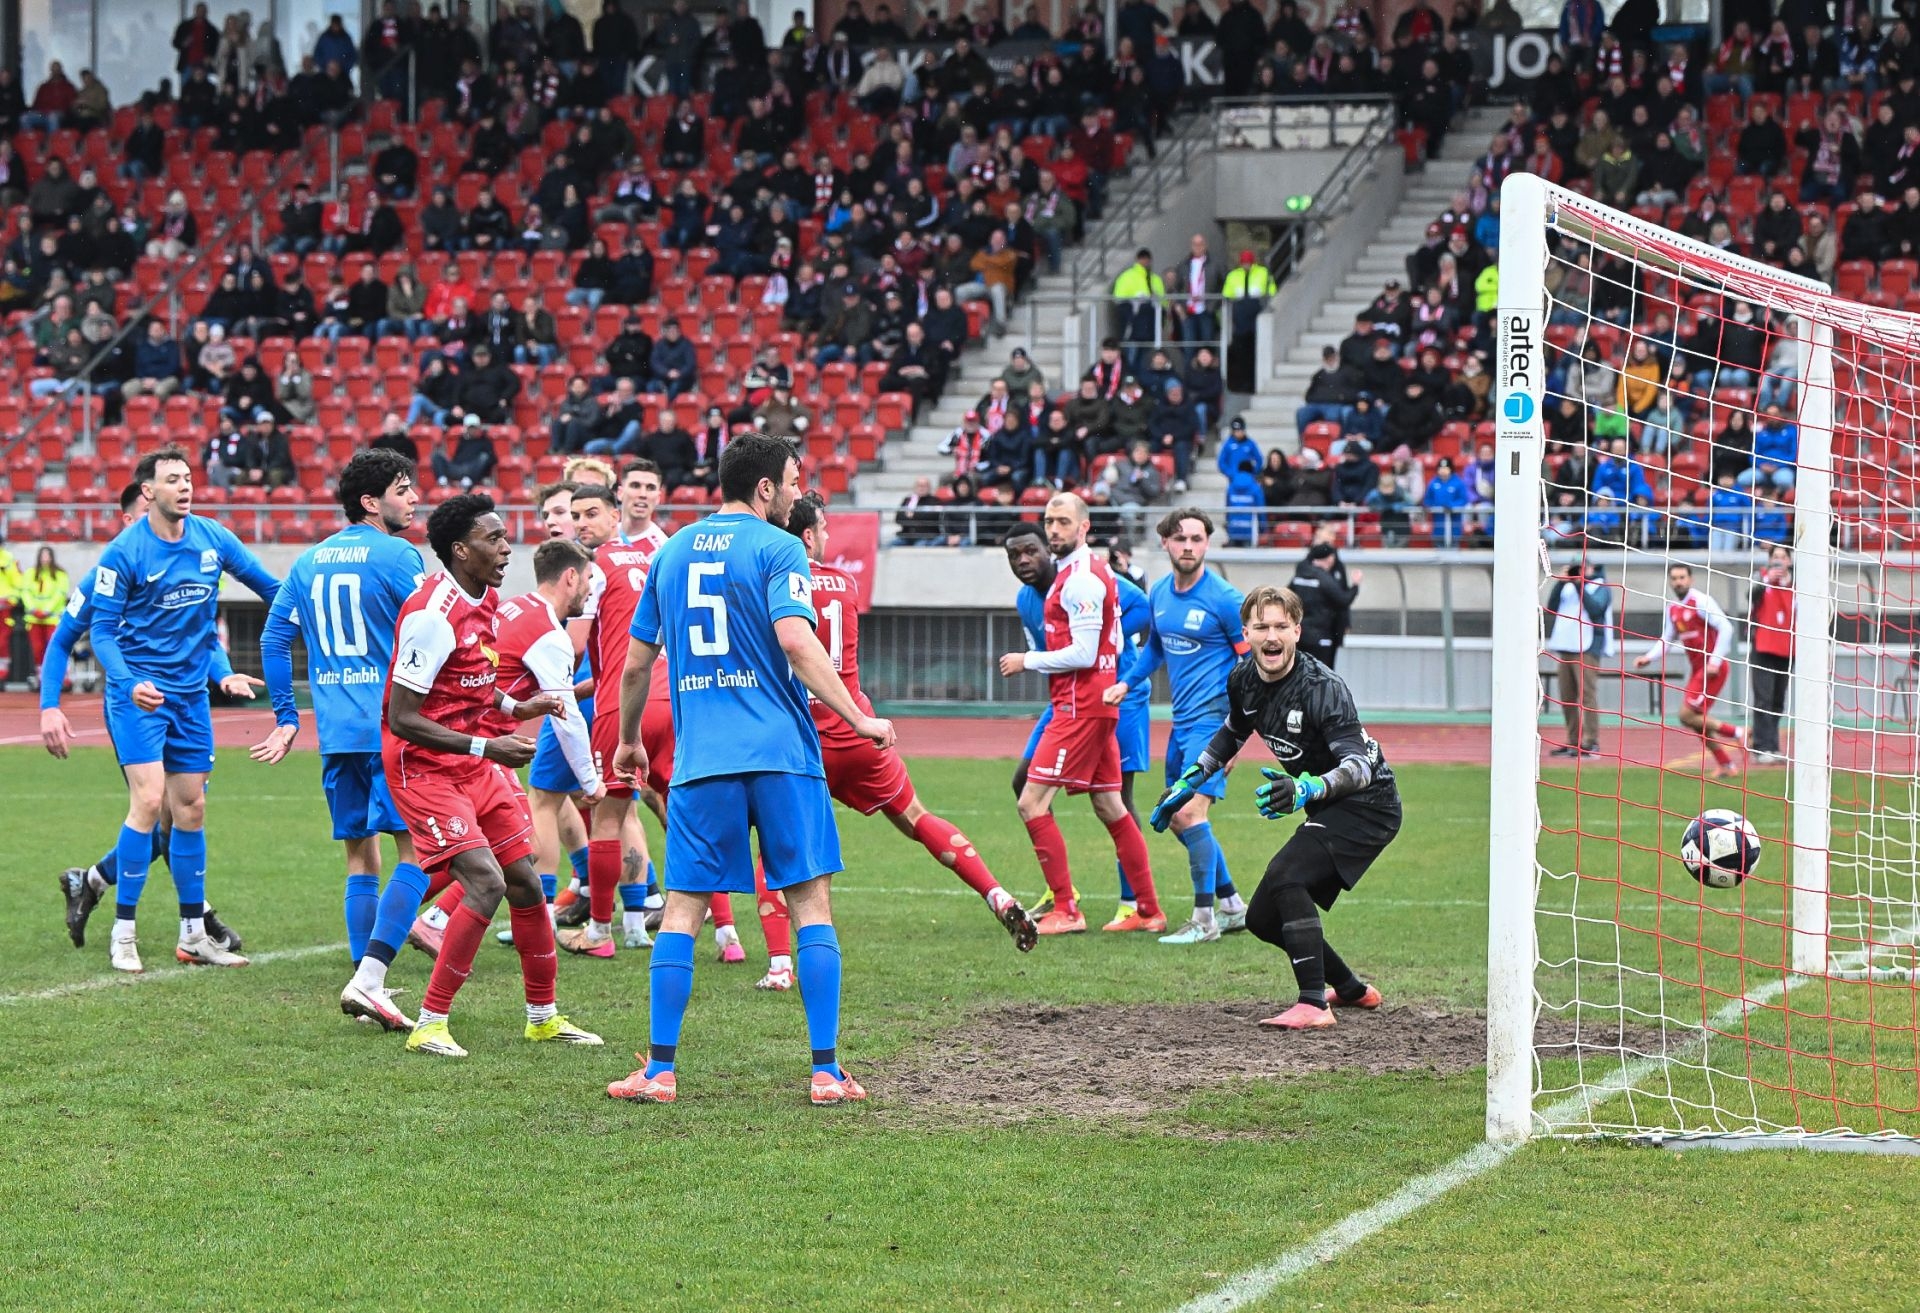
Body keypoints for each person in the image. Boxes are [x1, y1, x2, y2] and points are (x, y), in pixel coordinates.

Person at [606, 433, 897, 1106]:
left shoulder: (671, 551)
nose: (797, 492)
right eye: (793, 481)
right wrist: (857, 717)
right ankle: (826, 1071)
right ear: (766, 487)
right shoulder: (779, 547)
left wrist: (628, 741)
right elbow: (796, 639)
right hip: (782, 756)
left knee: (681, 906)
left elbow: (636, 663)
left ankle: (659, 1070)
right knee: (809, 902)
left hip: (702, 758)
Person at [747, 494, 1037, 988]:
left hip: (804, 738)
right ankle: (997, 895)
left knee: (775, 846)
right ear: (811, 537)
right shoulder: (847, 583)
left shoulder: (772, 581)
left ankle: (779, 964)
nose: (830, 537)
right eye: (825, 528)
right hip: (860, 731)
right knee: (916, 818)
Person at [382, 493, 600, 1058]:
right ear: (460, 550)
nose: (507, 548)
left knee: (525, 881)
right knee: (487, 881)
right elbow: (402, 717)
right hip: (425, 766)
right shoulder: (432, 617)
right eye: (494, 539)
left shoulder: (486, 600)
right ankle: (430, 1023)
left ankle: (543, 1017)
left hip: (470, 759)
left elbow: (472, 684)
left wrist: (516, 709)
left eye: (505, 537)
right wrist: (488, 744)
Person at [1154, 585, 1400, 1029]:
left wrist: (1305, 791)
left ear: (1297, 631)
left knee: (1287, 875)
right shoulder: (1243, 678)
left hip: (1369, 804)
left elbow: (1360, 768)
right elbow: (1232, 731)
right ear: (1246, 632)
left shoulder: (1323, 688)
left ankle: (1313, 1004)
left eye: (1281, 627)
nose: (1272, 636)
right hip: (1329, 805)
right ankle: (1348, 988)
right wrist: (1190, 781)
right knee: (1264, 918)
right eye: (1262, 626)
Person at [251, 449, 430, 1032]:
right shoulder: (399, 556)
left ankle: (363, 976)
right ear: (371, 502)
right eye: (403, 489)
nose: (414, 498)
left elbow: (273, 640)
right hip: (390, 728)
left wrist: (285, 714)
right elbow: (434, 629)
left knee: (359, 853)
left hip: (336, 733)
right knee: (416, 851)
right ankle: (369, 979)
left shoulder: (309, 562)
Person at [87, 447, 280, 974]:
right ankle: (122, 932)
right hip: (141, 698)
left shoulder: (213, 538)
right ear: (148, 492)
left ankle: (193, 934)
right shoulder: (124, 552)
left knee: (190, 810)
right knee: (149, 801)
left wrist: (315, 606)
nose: (185, 486)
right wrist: (128, 683)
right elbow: (101, 632)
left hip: (192, 697)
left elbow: (270, 588)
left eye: (189, 477)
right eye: (173, 480)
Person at [44, 483, 244, 957]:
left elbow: (206, 641)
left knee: (181, 814)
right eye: (137, 519)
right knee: (157, 807)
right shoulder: (110, 573)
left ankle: (91, 880)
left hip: (186, 704)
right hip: (136, 706)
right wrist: (50, 705)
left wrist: (223, 673)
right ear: (130, 519)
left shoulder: (183, 561)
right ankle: (195, 922)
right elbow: (60, 641)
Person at [996, 494, 1163, 936]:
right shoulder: (1078, 576)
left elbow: (1087, 652)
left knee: (1031, 802)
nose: (1054, 530)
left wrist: (1027, 661)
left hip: (1080, 707)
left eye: (1063, 522)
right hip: (1093, 704)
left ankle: (1067, 908)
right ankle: (1147, 908)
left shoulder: (1082, 580)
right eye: (1050, 521)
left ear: (1084, 527)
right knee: (1110, 804)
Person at [1105, 509, 1250, 943]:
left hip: (1214, 723)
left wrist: (1236, 739)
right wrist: (1125, 684)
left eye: (1197, 539)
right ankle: (1232, 905)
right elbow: (1153, 653)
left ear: (1207, 544)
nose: (1189, 546)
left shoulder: (1225, 599)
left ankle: (1204, 921)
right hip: (1181, 724)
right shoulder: (1161, 594)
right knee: (1173, 815)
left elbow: (1250, 668)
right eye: (1181, 538)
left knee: (1189, 811)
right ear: (1165, 542)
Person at [559, 468, 677, 959]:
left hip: (621, 702)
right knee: (677, 813)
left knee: (605, 817)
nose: (582, 524)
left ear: (614, 514)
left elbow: (576, 646)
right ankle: (717, 931)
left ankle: (599, 932)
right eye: (575, 516)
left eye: (591, 514)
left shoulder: (593, 567)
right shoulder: (654, 558)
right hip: (672, 697)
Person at [1633, 563, 1746, 779]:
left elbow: (1726, 627)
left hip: (1713, 669)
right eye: (1674, 578)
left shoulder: (1701, 601)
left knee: (1686, 715)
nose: (1678, 582)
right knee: (1696, 719)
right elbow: (1667, 638)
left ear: (1690, 579)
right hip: (1699, 671)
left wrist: (1714, 661)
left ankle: (1737, 733)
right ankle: (1726, 764)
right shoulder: (1673, 609)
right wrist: (1649, 657)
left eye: (1682, 577)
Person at [1543, 558, 1611, 759]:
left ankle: (1591, 742)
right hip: (1565, 646)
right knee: (1567, 698)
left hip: (1587, 647)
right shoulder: (1567, 587)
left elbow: (1596, 610)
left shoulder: (1600, 587)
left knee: (1587, 696)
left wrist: (1579, 584)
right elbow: (1552, 607)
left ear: (1591, 568)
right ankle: (1573, 741)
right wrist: (1561, 582)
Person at [1747, 546, 1793, 763]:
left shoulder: (1796, 584)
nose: (1779, 561)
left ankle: (1773, 746)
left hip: (1786, 648)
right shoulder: (1761, 578)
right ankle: (1760, 747)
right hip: (1763, 647)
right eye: (1775, 557)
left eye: (1783, 557)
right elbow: (1751, 596)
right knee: (1763, 699)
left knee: (1777, 700)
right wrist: (1766, 580)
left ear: (1790, 561)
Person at [1289, 541, 1360, 669]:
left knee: (1299, 673)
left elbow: (1287, 597)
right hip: (1321, 636)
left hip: (1300, 636)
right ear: (1328, 559)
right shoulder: (1324, 579)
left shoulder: (1299, 576)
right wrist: (1355, 586)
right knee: (1322, 676)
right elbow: (1343, 600)